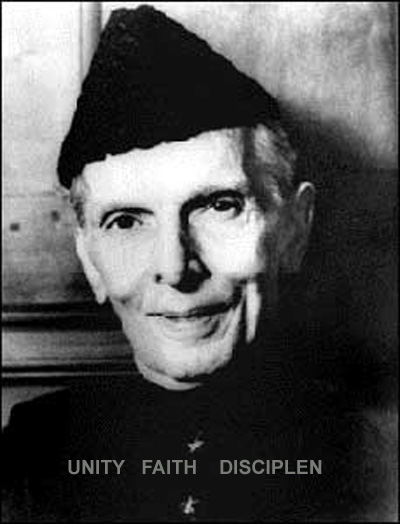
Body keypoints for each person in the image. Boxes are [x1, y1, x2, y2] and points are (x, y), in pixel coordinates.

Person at [2, 6, 389, 522]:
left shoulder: (370, 456)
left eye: (220, 206)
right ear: (90, 259)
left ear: (294, 230)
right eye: (125, 220)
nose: (175, 266)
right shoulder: (29, 459)